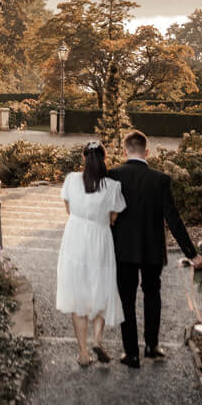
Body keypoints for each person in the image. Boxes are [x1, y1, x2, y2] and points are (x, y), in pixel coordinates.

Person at [108, 129, 202, 369]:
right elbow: (173, 219)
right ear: (147, 151)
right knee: (153, 295)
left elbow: (106, 215)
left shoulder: (114, 176)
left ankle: (131, 354)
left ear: (124, 151)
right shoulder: (160, 179)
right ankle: (152, 346)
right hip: (152, 248)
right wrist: (192, 253)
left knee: (127, 300)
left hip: (124, 250)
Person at [55, 140, 125, 368]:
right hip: (100, 238)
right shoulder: (113, 186)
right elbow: (114, 218)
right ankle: (97, 339)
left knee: (78, 293)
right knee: (101, 286)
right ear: (103, 159)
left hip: (75, 237)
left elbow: (68, 209)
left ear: (84, 158)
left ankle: (84, 353)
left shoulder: (72, 180)